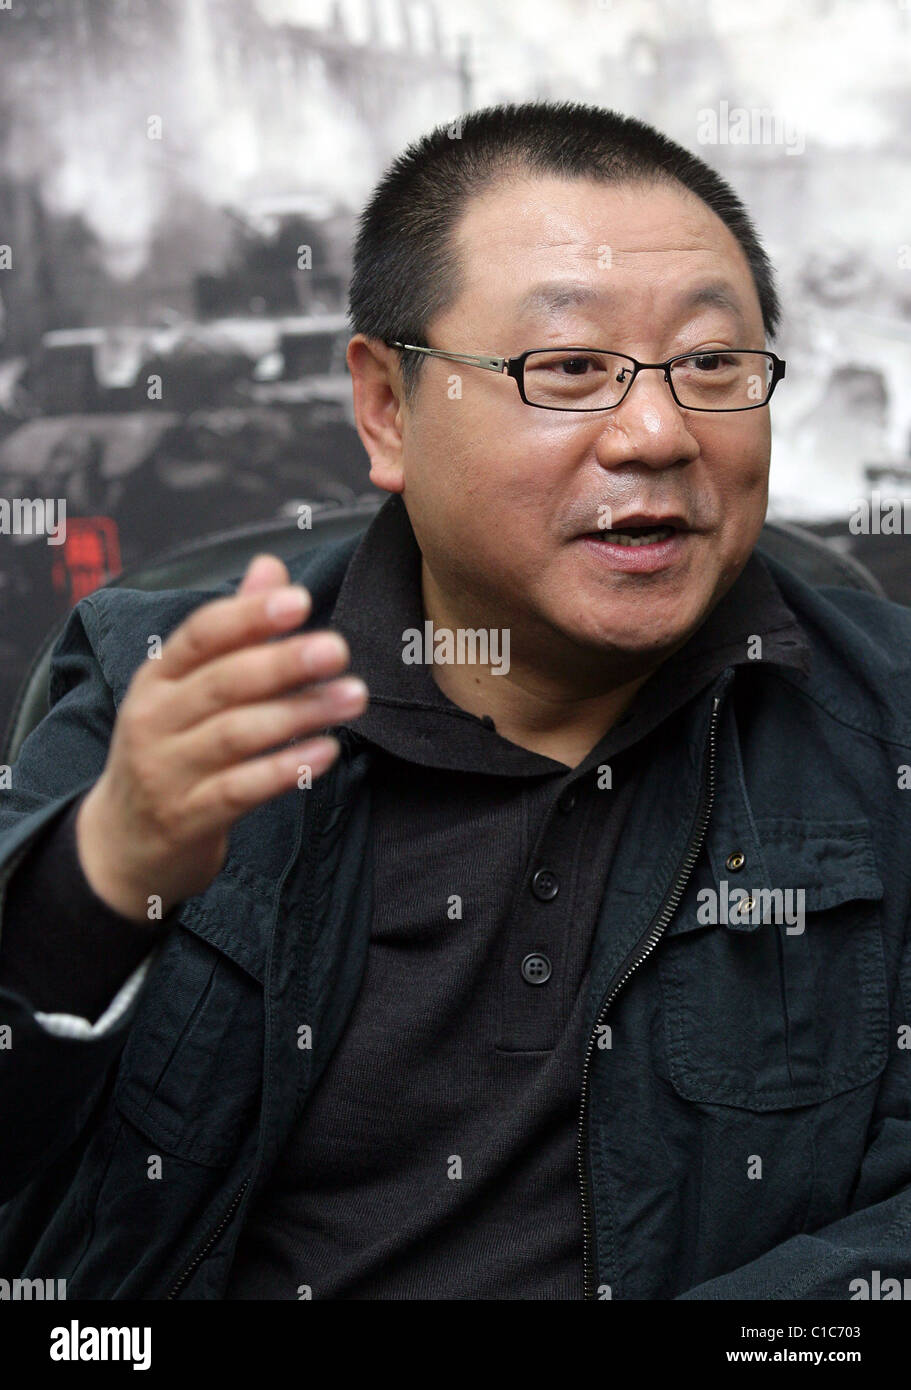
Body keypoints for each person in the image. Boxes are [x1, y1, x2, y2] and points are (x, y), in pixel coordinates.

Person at [1, 100, 910, 1301]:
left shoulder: (882, 721)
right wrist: (103, 879)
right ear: (386, 407)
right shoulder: (160, 685)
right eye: (570, 368)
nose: (656, 430)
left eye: (710, 365)